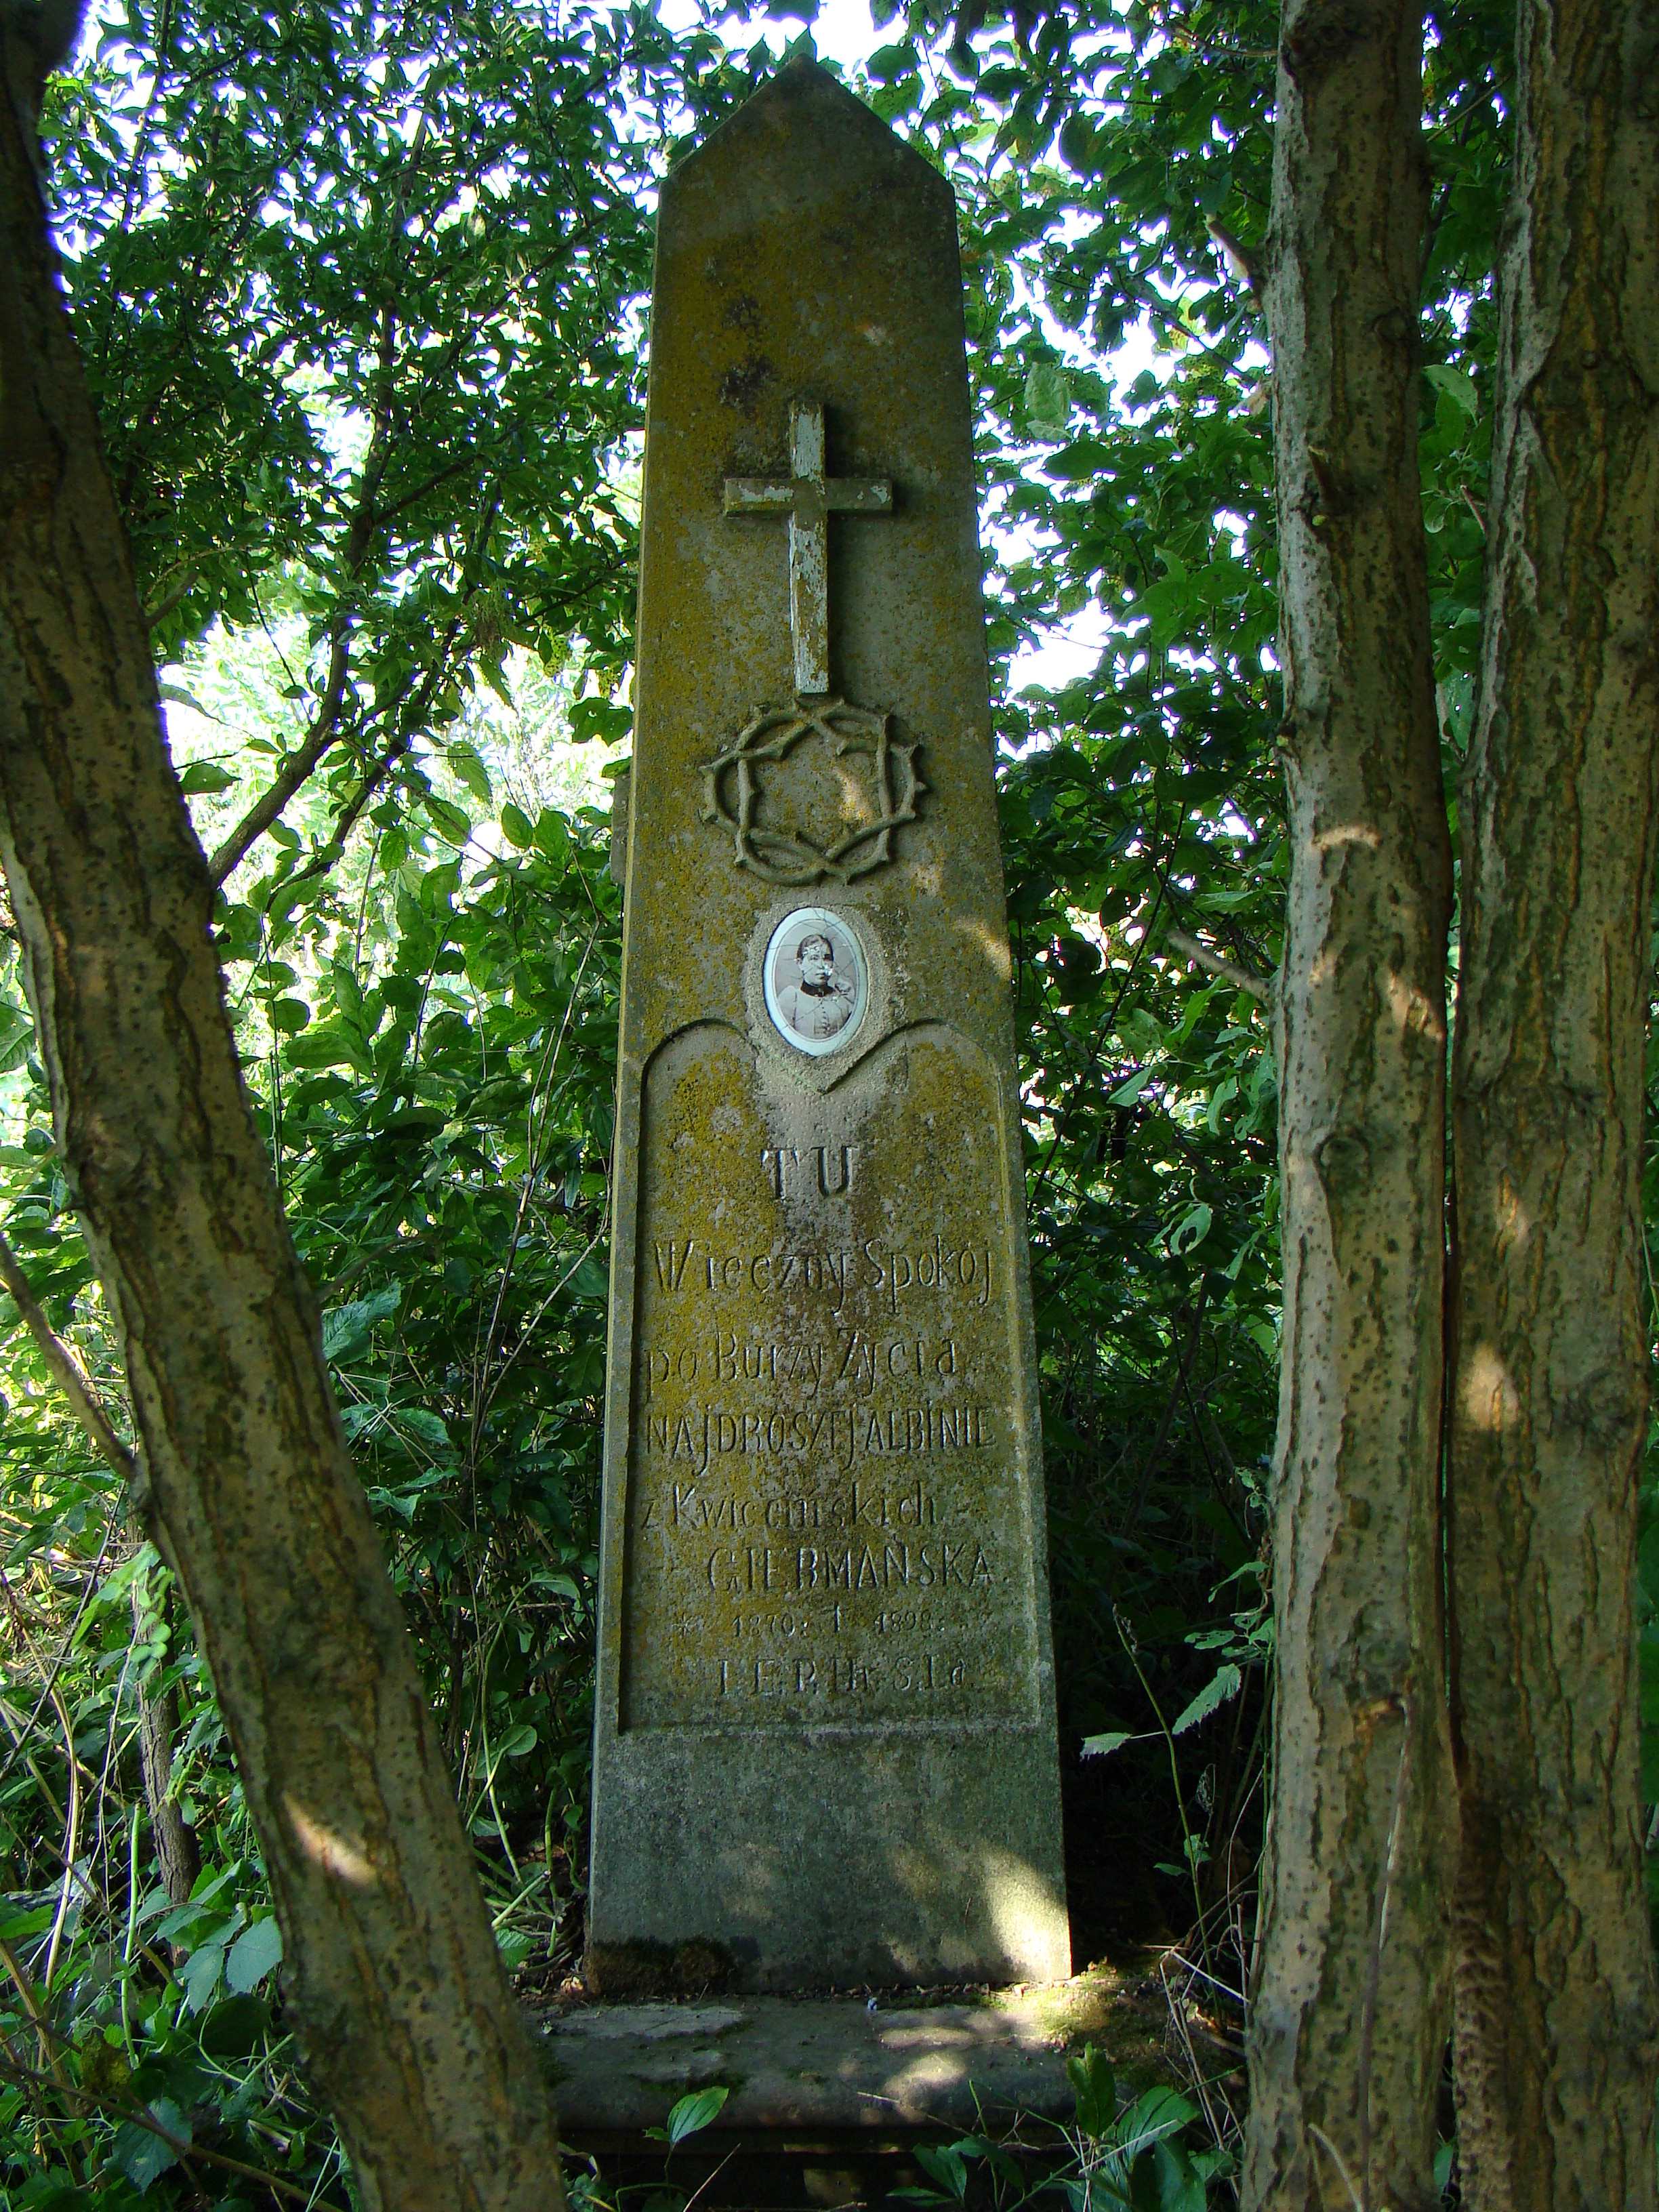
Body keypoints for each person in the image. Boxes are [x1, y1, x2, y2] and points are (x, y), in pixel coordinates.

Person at [777, 931, 855, 1042]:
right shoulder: (791, 999)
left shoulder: (843, 998)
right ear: (800, 963)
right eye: (814, 958)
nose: (822, 965)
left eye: (827, 958)